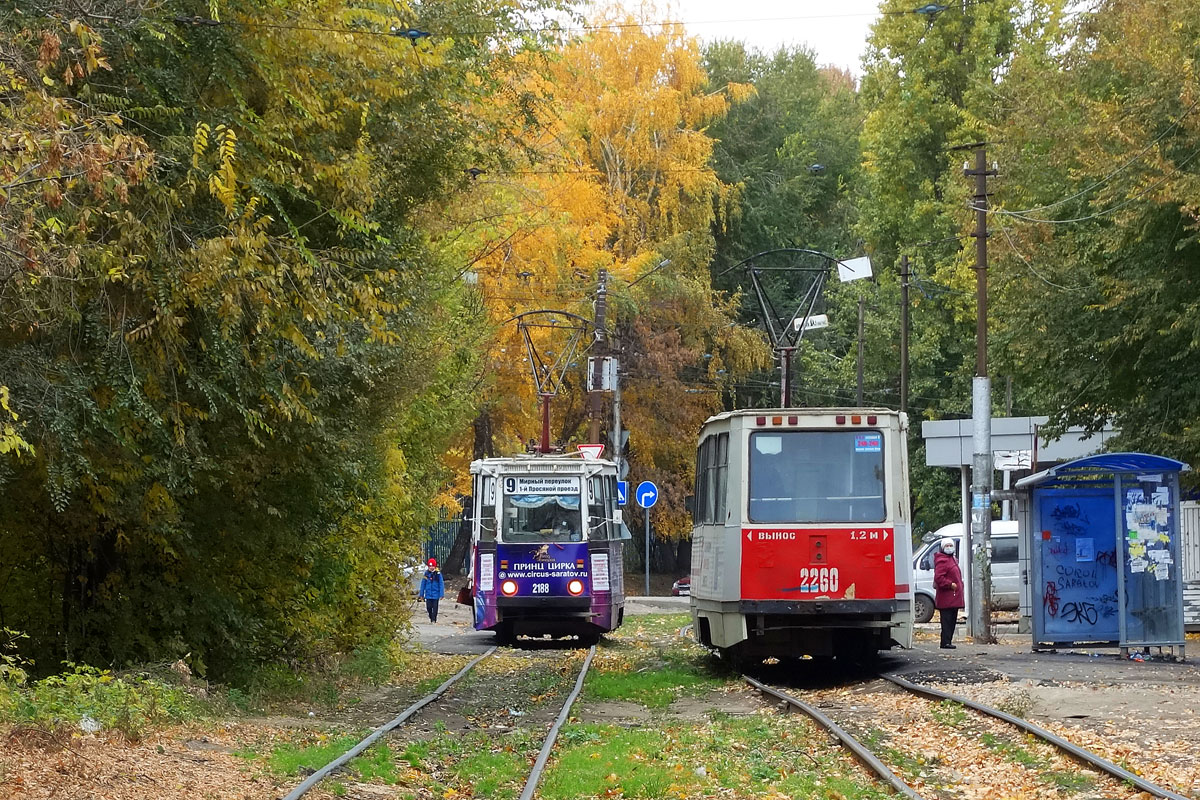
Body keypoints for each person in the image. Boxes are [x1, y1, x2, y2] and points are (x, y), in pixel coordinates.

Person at [933, 537, 964, 649]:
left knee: (952, 621)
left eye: (951, 545)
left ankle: (948, 641)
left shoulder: (952, 559)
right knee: (947, 621)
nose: (949, 548)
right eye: (947, 546)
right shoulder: (942, 560)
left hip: (953, 597)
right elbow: (939, 577)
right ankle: (945, 642)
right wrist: (950, 584)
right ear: (942, 548)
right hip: (947, 598)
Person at [418, 558, 445, 623]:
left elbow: (441, 584)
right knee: (429, 607)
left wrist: (441, 594)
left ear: (435, 566)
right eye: (430, 566)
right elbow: (423, 584)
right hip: (428, 594)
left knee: (435, 608)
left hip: (436, 594)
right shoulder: (426, 574)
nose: (431, 568)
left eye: (432, 566)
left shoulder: (438, 574)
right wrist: (421, 594)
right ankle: (431, 616)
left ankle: (434, 619)